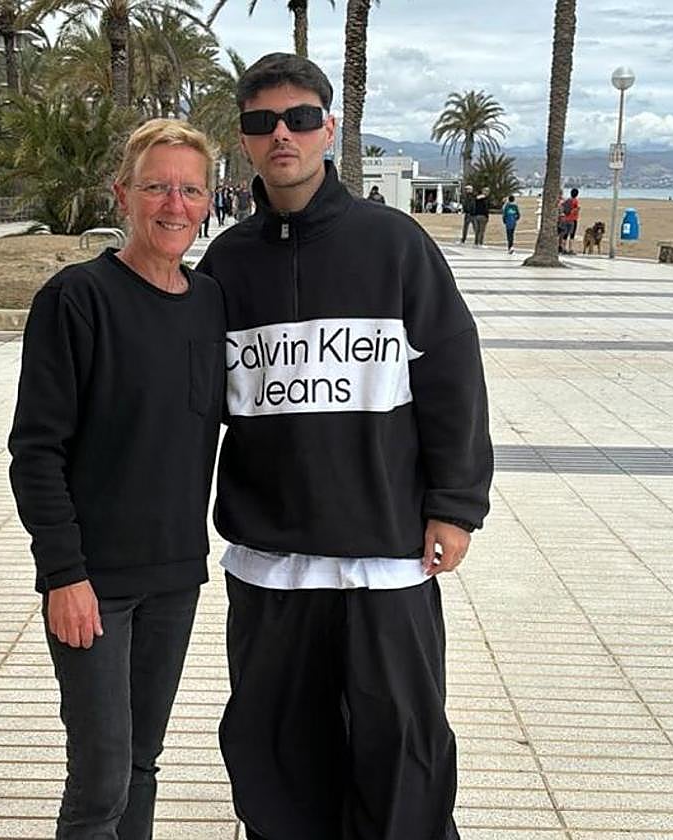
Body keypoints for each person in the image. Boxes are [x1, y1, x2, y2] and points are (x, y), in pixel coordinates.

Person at [196, 52, 492, 840]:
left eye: (299, 118)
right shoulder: (227, 263)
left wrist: (455, 507)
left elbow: (453, 379)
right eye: (262, 123)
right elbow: (195, 403)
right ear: (245, 140)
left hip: (384, 560)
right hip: (270, 566)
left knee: (401, 756)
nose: (281, 136)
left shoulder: (393, 245)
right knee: (273, 756)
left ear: (329, 127)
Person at [8, 118, 225, 840]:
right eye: (156, 186)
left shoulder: (210, 304)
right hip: (93, 582)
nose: (173, 204)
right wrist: (62, 574)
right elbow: (36, 451)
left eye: (189, 189)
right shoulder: (77, 299)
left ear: (208, 200)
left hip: (174, 577)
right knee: (99, 779)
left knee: (141, 763)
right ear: (121, 195)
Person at [559, 187, 580, 254]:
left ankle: (564, 248)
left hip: (566, 219)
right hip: (573, 219)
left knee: (565, 234)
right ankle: (570, 249)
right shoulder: (575, 201)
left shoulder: (567, 200)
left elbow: (561, 206)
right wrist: (577, 209)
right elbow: (575, 210)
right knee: (572, 235)